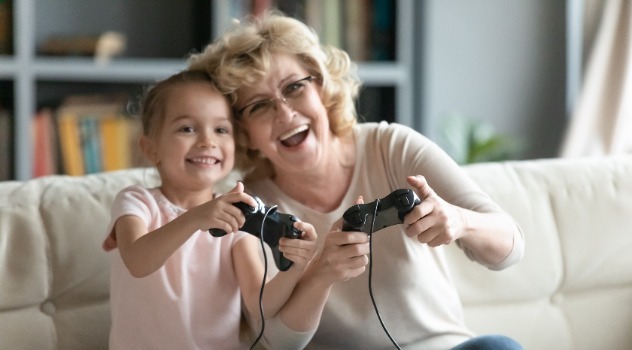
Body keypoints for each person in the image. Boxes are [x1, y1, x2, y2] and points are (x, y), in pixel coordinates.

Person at [188, 11, 525, 350]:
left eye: (294, 87)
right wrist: (322, 273)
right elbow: (276, 342)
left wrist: (460, 220)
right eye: (259, 105)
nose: (285, 113)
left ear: (322, 86)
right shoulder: (249, 208)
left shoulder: (391, 147)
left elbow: (510, 249)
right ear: (243, 132)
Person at [101, 70, 317, 350]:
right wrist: (195, 218)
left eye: (221, 129)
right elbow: (138, 261)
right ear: (150, 148)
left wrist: (294, 268)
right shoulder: (136, 202)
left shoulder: (238, 215)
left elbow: (259, 302)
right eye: (187, 128)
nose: (207, 141)